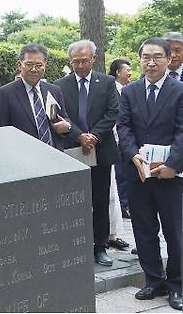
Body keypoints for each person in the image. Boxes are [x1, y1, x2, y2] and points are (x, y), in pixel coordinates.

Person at [117, 37, 183, 310]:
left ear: (169, 59)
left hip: (169, 175)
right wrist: (133, 155)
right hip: (139, 173)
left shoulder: (179, 91)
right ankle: (153, 280)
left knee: (175, 232)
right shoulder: (130, 91)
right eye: (145, 57)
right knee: (144, 230)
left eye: (157, 56)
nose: (150, 62)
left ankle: (177, 285)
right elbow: (124, 128)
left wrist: (172, 165)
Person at [53, 40, 119, 267]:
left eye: (84, 60)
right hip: (72, 149)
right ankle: (75, 244)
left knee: (100, 200)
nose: (80, 66)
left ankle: (100, 246)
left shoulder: (107, 82)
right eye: (75, 62)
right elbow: (59, 116)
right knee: (74, 200)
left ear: (93, 58)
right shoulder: (60, 85)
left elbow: (113, 113)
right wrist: (79, 135)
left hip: (100, 150)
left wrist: (93, 137)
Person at [0, 43, 71, 149]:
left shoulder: (54, 90)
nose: (33, 69)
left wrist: (67, 126)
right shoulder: (6, 93)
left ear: (45, 66)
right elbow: (2, 130)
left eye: (38, 65)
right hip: (23, 156)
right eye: (29, 64)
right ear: (19, 65)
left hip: (54, 155)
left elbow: (64, 117)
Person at [109, 57, 132, 220]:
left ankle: (125, 204)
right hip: (113, 140)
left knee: (124, 173)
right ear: (118, 72)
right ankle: (123, 206)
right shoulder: (111, 90)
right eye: (127, 70)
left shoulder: (127, 90)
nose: (130, 73)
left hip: (124, 140)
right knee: (119, 174)